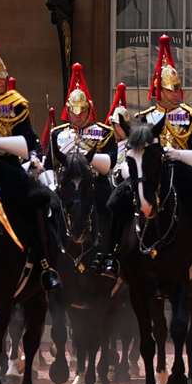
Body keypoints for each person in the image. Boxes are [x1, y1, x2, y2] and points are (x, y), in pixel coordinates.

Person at [122, 35, 192, 284]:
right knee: (116, 200)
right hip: (151, 174)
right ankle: (114, 256)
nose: (177, 93)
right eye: (172, 89)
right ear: (159, 90)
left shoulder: (190, 117)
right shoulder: (143, 118)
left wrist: (175, 154)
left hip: (182, 173)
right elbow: (131, 151)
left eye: (178, 88)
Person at [0, 26, 59, 291]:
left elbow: (28, 138)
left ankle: (45, 264)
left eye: (2, 77)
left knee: (38, 200)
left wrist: (32, 156)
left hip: (6, 166)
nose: (2, 81)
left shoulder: (15, 102)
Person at [45, 65, 116, 271]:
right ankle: (46, 257)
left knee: (109, 205)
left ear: (89, 109)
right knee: (47, 210)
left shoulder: (104, 133)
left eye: (81, 110)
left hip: (94, 182)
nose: (77, 115)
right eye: (73, 111)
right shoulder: (57, 134)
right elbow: (49, 164)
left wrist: (88, 159)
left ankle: (108, 254)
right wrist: (51, 186)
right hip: (66, 184)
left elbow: (110, 162)